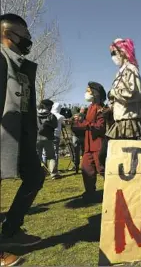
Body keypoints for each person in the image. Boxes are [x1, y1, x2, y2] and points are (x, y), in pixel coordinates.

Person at [0, 13, 45, 252]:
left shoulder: (20, 64)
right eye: (25, 35)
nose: (28, 39)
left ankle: (10, 230)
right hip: (4, 133)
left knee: (35, 176)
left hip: (23, 136)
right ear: (8, 34)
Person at [99, 38, 141, 168]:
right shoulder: (120, 72)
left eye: (114, 53)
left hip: (129, 123)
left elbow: (136, 92)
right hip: (120, 122)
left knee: (128, 161)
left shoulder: (131, 69)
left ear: (122, 52)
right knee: (108, 157)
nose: (113, 57)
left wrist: (114, 93)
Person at [72, 82, 106, 202]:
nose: (86, 93)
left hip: (98, 144)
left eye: (88, 91)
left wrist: (85, 123)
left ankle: (113, 190)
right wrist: (76, 123)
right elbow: (86, 125)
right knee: (86, 168)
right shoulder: (90, 107)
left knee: (102, 169)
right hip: (88, 145)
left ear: (95, 93)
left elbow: (100, 127)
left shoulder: (101, 108)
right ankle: (90, 192)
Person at [36, 99, 58, 179]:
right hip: (48, 138)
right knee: (52, 156)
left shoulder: (35, 114)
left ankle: (39, 173)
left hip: (37, 138)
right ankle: (54, 174)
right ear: (48, 106)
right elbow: (55, 126)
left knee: (38, 157)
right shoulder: (51, 115)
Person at [51, 102, 65, 177]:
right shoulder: (60, 116)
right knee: (55, 153)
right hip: (56, 135)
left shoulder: (49, 114)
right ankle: (54, 171)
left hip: (48, 135)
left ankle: (45, 169)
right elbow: (64, 123)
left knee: (45, 153)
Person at [71, 106, 86, 174]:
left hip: (77, 137)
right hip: (81, 136)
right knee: (81, 152)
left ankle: (78, 167)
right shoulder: (84, 117)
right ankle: (82, 167)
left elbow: (70, 124)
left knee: (77, 153)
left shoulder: (74, 117)